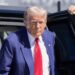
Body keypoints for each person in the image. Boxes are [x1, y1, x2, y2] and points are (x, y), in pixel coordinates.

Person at [0, 6, 56, 75]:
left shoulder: (50, 37)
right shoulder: (12, 41)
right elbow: (3, 71)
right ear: (25, 22)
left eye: (41, 22)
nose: (37, 26)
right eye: (34, 22)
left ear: (45, 23)